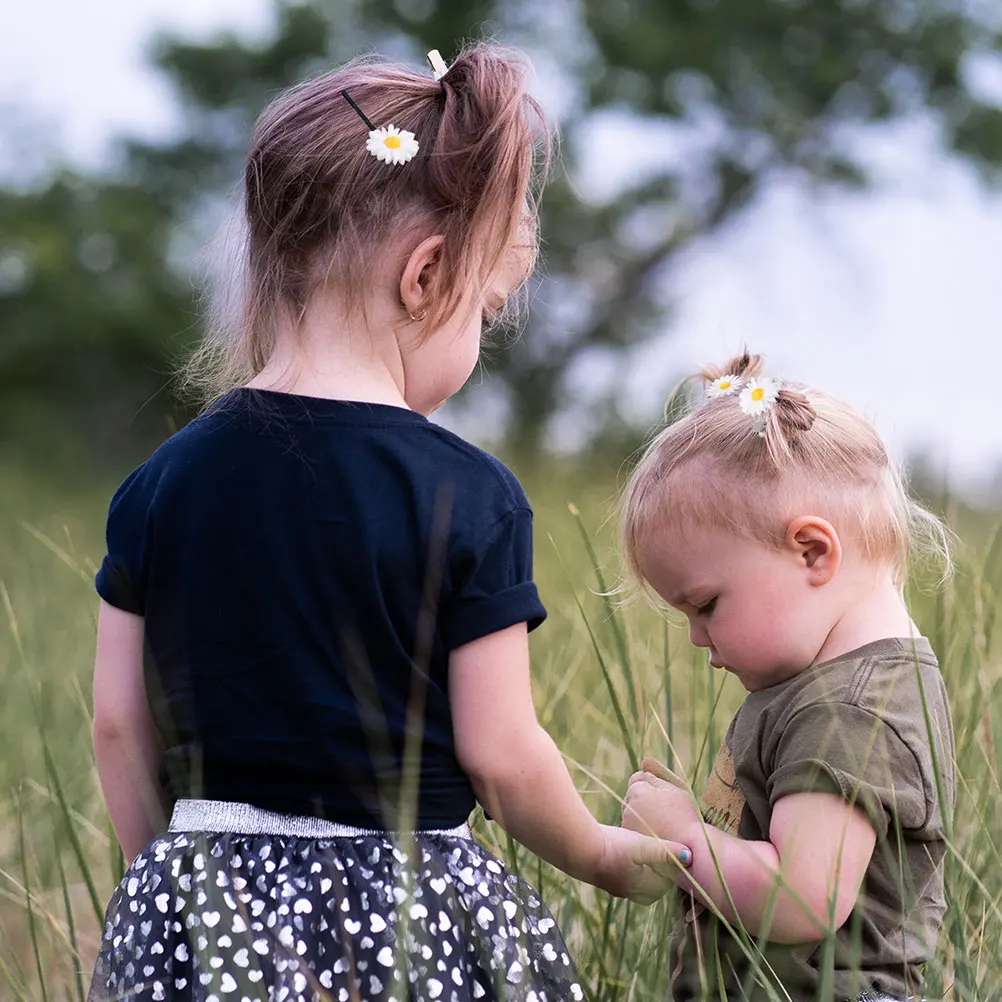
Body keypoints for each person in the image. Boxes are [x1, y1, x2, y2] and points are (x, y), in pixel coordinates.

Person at [86, 43, 691, 1002]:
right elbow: (501, 756)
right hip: (408, 917)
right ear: (426, 276)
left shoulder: (158, 484)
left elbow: (120, 726)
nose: (479, 339)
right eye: (485, 310)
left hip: (199, 909)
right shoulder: (470, 494)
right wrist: (602, 852)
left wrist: (169, 896)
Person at [617, 352, 955, 1002]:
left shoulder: (850, 710)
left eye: (706, 605)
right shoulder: (822, 686)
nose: (696, 637)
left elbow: (802, 899)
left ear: (812, 552)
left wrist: (684, 840)